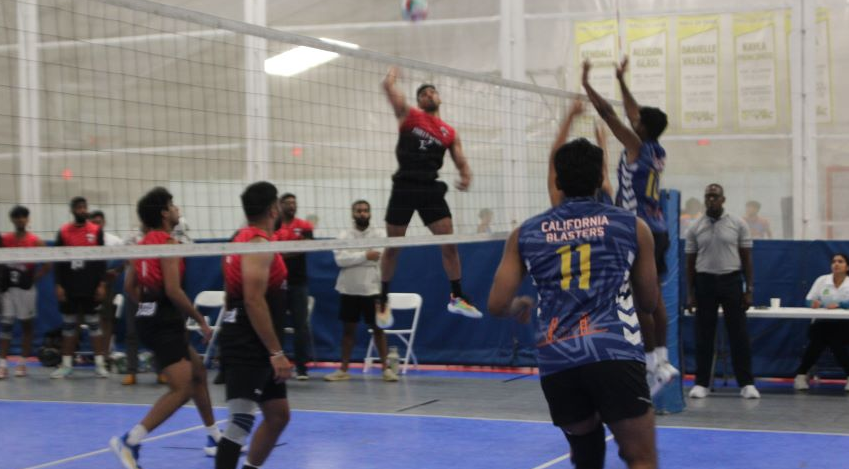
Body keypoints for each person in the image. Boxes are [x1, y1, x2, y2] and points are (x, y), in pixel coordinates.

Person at [489, 137, 659, 469]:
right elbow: (649, 302)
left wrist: (519, 304)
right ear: (600, 179)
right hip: (613, 351)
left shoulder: (526, 233)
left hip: (558, 358)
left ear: (557, 181)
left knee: (586, 453)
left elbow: (497, 304)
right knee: (640, 457)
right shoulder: (632, 226)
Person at [582, 57, 678, 390]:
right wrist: (621, 79)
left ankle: (651, 367)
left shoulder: (636, 146)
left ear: (642, 129)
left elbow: (609, 114)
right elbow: (633, 112)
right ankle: (663, 360)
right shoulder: (657, 150)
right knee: (658, 299)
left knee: (641, 302)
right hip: (659, 230)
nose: (632, 119)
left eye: (637, 121)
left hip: (637, 230)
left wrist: (587, 84)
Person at [110, 187, 220, 468]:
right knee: (182, 388)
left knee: (198, 372)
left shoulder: (141, 245)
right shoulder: (169, 243)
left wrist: (150, 304)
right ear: (163, 213)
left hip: (149, 317)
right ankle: (130, 440)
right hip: (164, 320)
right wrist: (200, 319)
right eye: (172, 205)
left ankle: (214, 437)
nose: (176, 209)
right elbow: (173, 289)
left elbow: (129, 287)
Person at [380, 66, 482, 319]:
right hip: (404, 185)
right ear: (419, 101)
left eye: (432, 92)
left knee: (449, 243)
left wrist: (466, 174)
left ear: (439, 98)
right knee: (393, 247)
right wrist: (392, 73)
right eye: (423, 94)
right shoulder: (410, 115)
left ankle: (457, 297)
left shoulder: (449, 132)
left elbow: (460, 160)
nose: (428, 95)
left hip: (430, 188)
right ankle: (381, 299)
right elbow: (388, 87)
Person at [216, 181, 292, 469]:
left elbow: (229, 294)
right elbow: (252, 300)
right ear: (273, 209)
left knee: (278, 415)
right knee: (240, 421)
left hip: (252, 338)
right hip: (249, 341)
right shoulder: (257, 244)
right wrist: (276, 353)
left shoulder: (239, 239)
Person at [686, 183, 759, 399]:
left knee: (739, 334)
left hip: (731, 281)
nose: (711, 200)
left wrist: (749, 289)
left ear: (723, 200)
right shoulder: (694, 227)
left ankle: (746, 383)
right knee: (704, 335)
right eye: (708, 196)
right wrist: (690, 293)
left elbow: (747, 259)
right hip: (704, 282)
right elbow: (690, 264)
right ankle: (701, 383)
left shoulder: (738, 223)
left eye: (715, 196)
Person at [324, 200, 398, 383]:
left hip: (373, 289)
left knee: (378, 330)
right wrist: (365, 255)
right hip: (349, 289)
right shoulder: (344, 235)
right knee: (348, 331)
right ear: (353, 213)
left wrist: (354, 258)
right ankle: (343, 369)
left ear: (370, 213)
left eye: (365, 210)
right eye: (359, 211)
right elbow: (341, 261)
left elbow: (378, 257)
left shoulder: (380, 234)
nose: (362, 213)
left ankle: (386, 369)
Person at [51, 196, 110, 379]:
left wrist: (101, 284)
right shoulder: (63, 231)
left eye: (84, 207)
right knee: (68, 325)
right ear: (72, 210)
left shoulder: (96, 230)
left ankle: (100, 364)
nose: (82, 210)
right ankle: (66, 365)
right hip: (70, 286)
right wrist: (58, 285)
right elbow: (58, 261)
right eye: (78, 207)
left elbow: (101, 260)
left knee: (94, 324)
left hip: (90, 286)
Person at [0, 206, 49, 379]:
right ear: (12, 219)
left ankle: (22, 363)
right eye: (17, 217)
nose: (20, 219)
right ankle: (2, 365)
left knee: (26, 325)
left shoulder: (35, 241)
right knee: (6, 325)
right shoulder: (4, 239)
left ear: (27, 219)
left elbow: (48, 264)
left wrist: (33, 278)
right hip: (7, 289)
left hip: (26, 289)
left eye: (23, 217)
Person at [793, 253, 849, 391]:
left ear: (847, 267)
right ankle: (801, 376)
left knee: (826, 339)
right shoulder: (822, 280)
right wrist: (813, 304)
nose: (836, 264)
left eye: (840, 261)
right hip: (822, 322)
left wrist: (840, 305)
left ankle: (801, 374)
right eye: (834, 261)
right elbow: (808, 300)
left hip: (845, 325)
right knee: (826, 338)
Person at [274, 193, 314, 380]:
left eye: (294, 202)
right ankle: (277, 365)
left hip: (299, 282)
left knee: (301, 326)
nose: (292, 205)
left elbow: (308, 247)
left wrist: (285, 250)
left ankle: (301, 368)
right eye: (288, 203)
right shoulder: (275, 225)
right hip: (278, 283)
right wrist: (296, 248)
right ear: (280, 205)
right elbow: (275, 251)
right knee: (277, 325)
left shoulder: (304, 225)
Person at [89, 210, 124, 356]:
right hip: (88, 283)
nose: (97, 225)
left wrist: (116, 271)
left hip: (108, 283)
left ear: (104, 223)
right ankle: (95, 353)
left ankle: (105, 353)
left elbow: (127, 259)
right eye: (94, 223)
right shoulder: (86, 239)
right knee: (86, 317)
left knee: (106, 318)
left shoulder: (114, 241)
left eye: (99, 222)